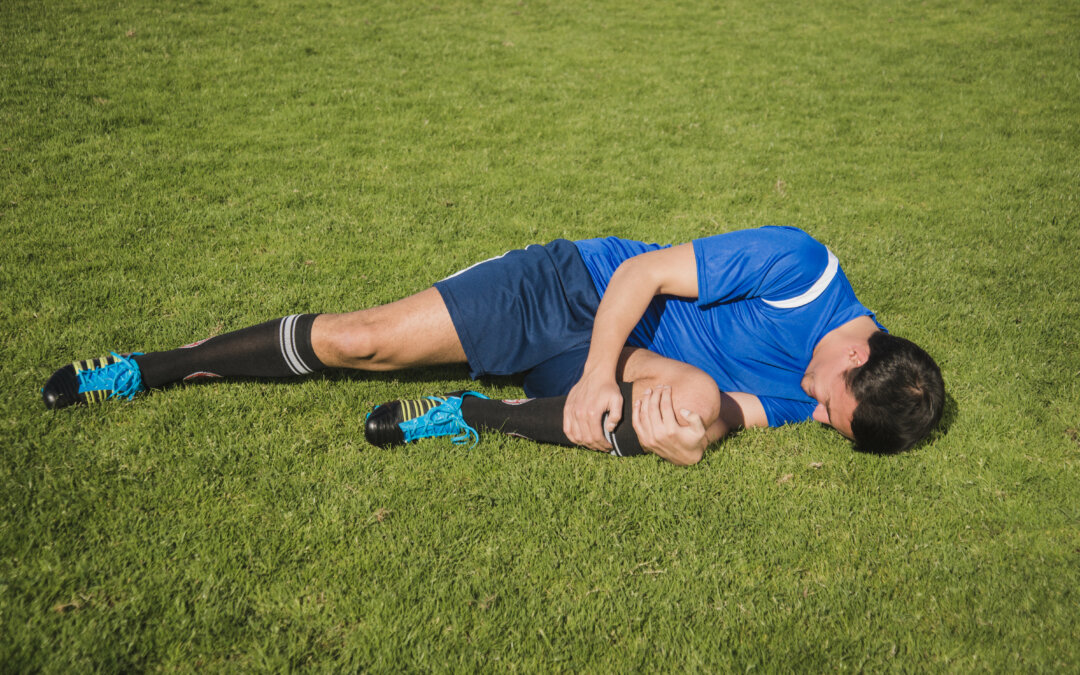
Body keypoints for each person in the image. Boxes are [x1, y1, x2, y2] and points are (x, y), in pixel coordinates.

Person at [41, 226, 945, 464]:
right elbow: (640, 279)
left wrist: (682, 430)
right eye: (826, 404)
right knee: (362, 340)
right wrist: (599, 379)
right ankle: (146, 367)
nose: (809, 411)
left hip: (625, 366)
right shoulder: (801, 270)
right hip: (574, 288)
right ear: (855, 358)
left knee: (702, 411)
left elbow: (724, 411)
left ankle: (476, 415)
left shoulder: (823, 390)